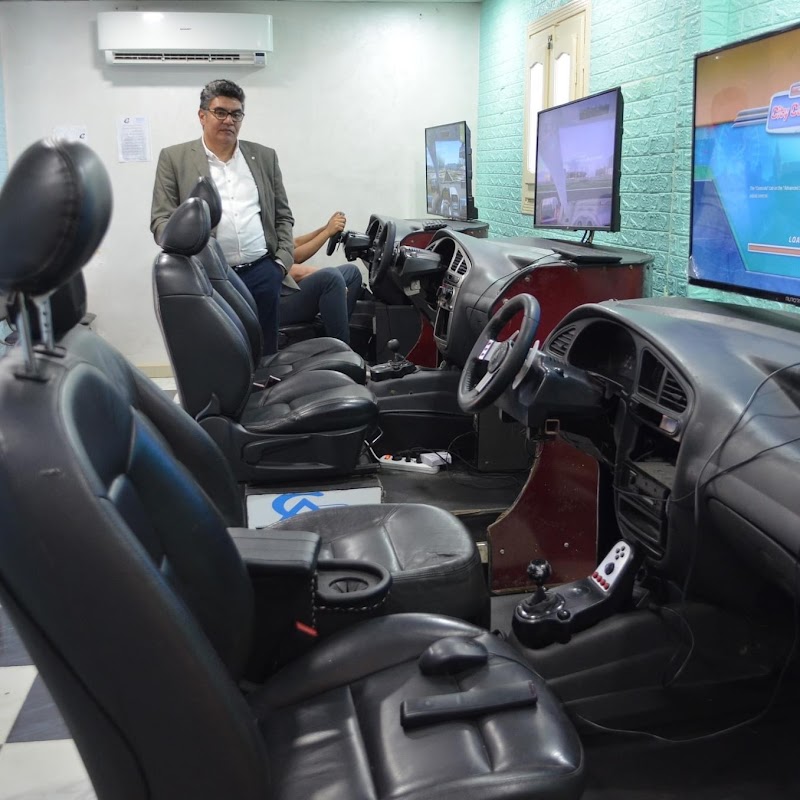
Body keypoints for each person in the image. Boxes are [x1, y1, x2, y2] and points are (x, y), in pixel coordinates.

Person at [150, 78, 296, 355]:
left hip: (263, 272)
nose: (229, 120)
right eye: (220, 112)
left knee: (266, 354)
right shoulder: (174, 158)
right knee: (217, 354)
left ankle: (266, 385)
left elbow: (283, 215)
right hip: (208, 277)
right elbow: (160, 221)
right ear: (202, 115)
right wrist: (186, 254)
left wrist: (280, 263)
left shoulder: (264, 157)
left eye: (236, 114)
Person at [281, 211, 364, 344]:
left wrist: (326, 228)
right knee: (331, 278)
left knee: (352, 273)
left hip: (286, 287)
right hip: (276, 300)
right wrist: (327, 232)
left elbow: (294, 243)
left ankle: (329, 334)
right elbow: (290, 266)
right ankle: (340, 352)